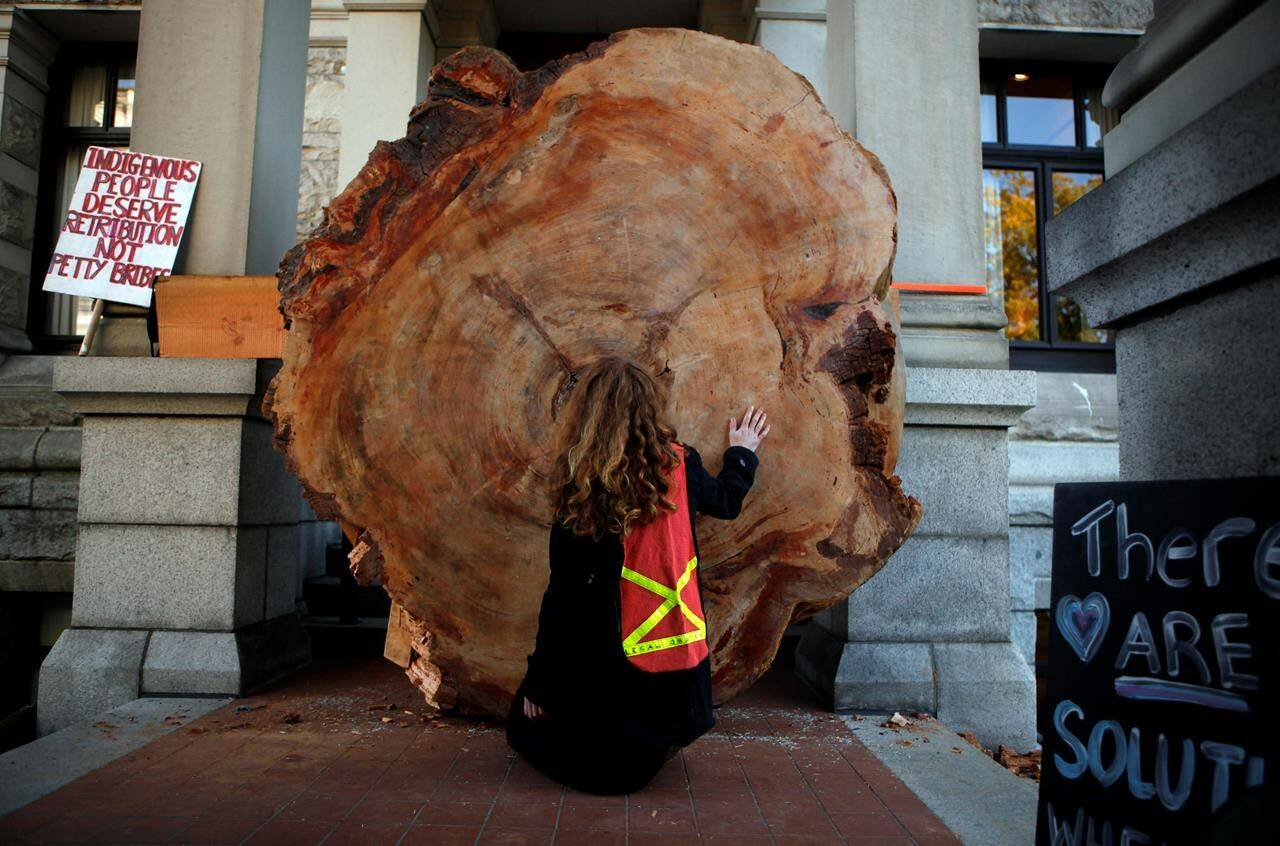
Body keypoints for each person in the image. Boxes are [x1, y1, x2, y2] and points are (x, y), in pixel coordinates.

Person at [506, 356, 770, 795]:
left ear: (585, 417)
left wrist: (542, 686)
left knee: (521, 724)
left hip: (619, 682)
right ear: (649, 409)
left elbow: (564, 602)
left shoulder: (585, 492)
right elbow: (726, 501)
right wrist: (742, 454)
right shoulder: (682, 465)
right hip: (681, 701)